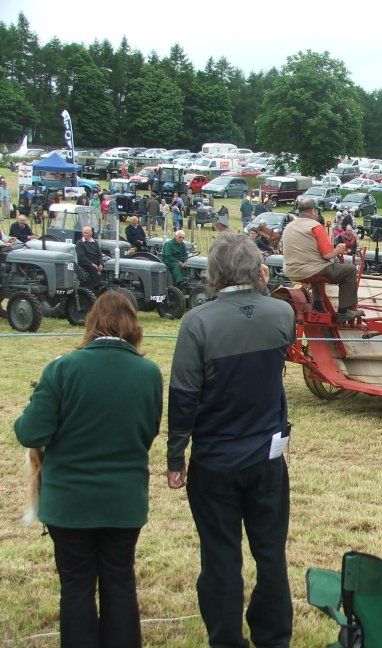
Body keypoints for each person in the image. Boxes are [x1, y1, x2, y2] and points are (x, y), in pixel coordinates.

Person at [167, 232, 295, 647]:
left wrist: (175, 456)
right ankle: (273, 637)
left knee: (221, 557)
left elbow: (184, 397)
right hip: (267, 457)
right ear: (257, 269)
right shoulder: (281, 314)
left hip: (216, 460)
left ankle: (226, 639)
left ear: (214, 273)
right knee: (271, 554)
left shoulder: (198, 322)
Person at [15, 292, 163, 647]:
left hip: (70, 504)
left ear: (91, 323)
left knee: (77, 588)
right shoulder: (148, 373)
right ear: (133, 326)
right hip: (123, 501)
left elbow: (29, 431)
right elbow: (150, 431)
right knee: (120, 583)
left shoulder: (63, 369)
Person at [281, 197, 362, 322]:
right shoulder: (316, 226)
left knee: (319, 267)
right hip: (310, 269)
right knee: (350, 270)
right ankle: (344, 311)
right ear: (313, 211)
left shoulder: (289, 226)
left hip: (291, 270)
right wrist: (338, 250)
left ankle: (318, 305)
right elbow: (328, 254)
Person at [76, 226, 103, 290]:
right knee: (93, 269)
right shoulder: (79, 243)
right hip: (85, 263)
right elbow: (81, 257)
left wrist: (101, 264)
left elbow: (99, 254)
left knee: (105, 267)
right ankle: (93, 289)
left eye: (87, 233)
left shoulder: (95, 242)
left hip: (96, 262)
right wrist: (92, 264)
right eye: (84, 233)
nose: (85, 234)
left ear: (91, 233)